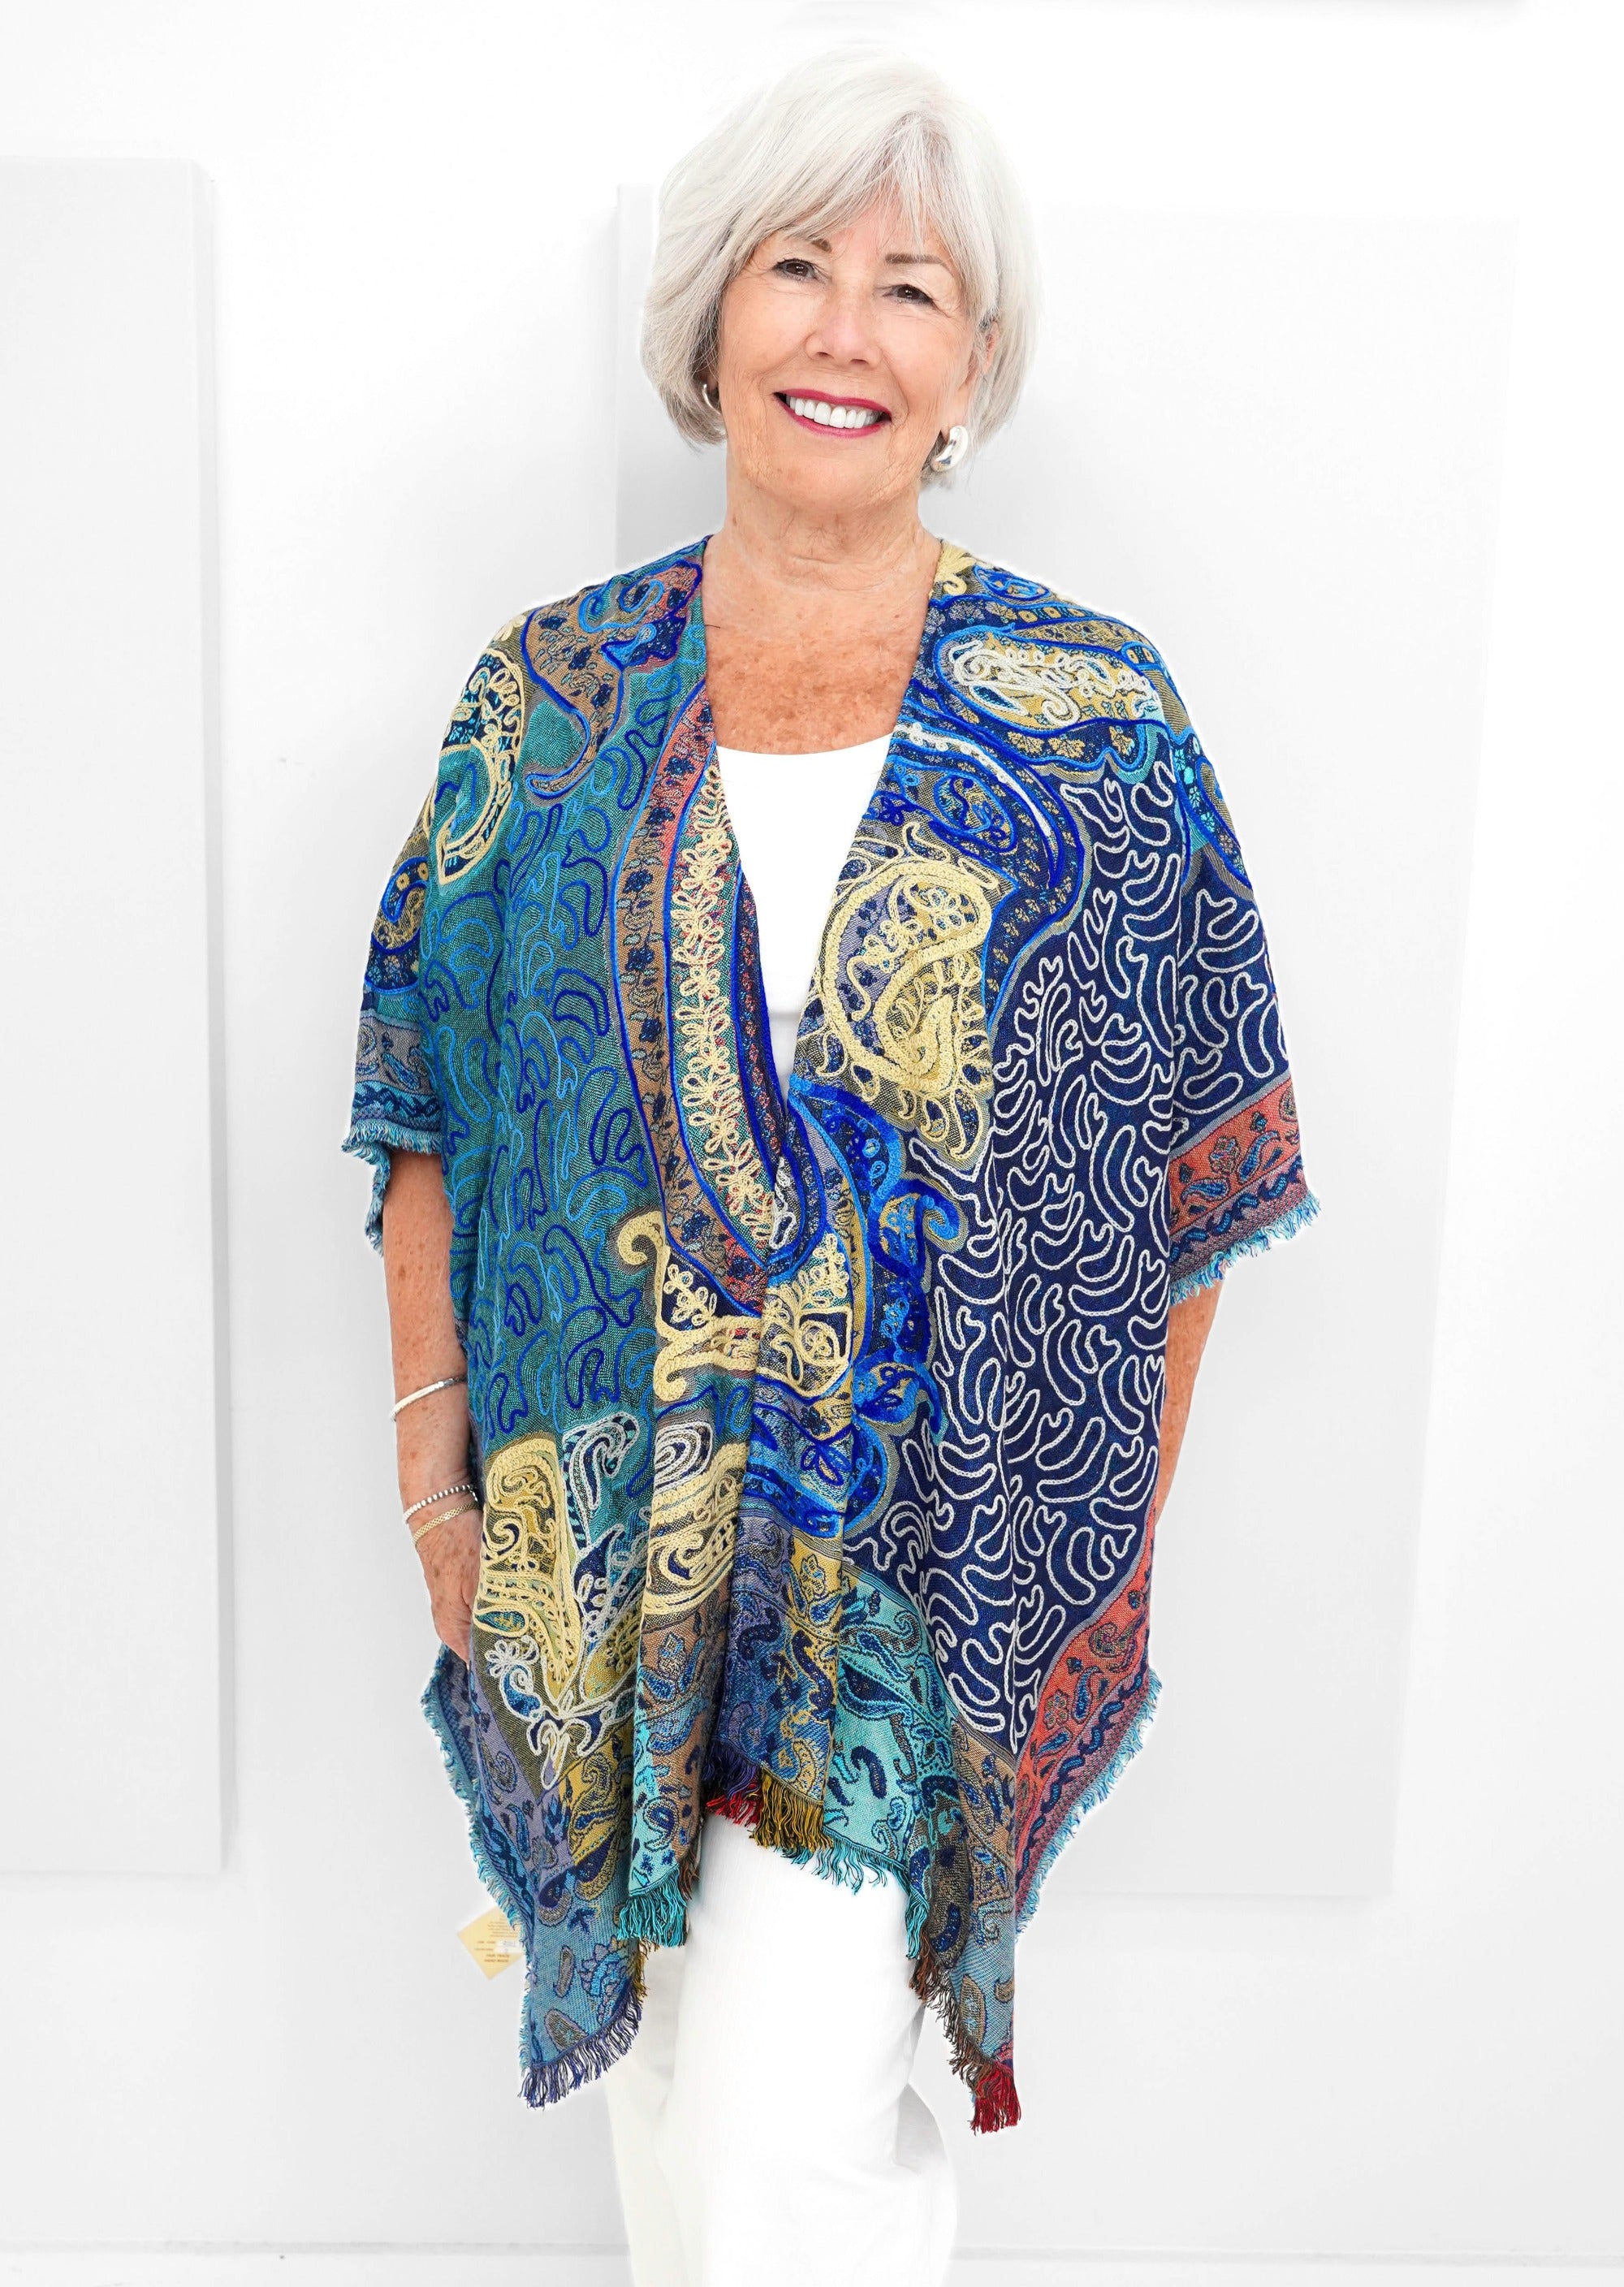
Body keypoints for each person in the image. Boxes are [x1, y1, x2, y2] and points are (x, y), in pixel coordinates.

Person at [343, 46, 1318, 2287]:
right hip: (596, 1561)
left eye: (912, 288)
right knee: (691, 2124)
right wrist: (440, 1496)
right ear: (712, 318)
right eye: (798, 267)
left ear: (973, 365)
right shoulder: (550, 703)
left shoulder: (1094, 718)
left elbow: (1185, 1174)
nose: (846, 333)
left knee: (779, 2144)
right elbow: (431, 1103)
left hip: (915, 1593)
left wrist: (1093, 1530)